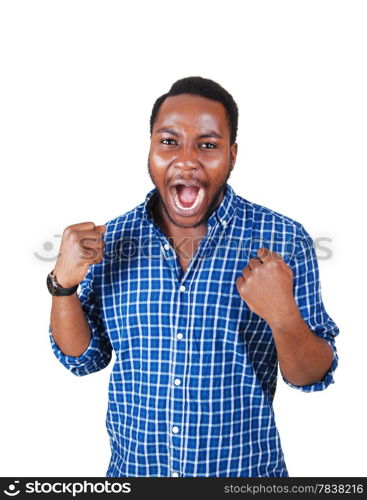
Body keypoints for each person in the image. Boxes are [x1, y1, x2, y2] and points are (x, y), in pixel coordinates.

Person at [47, 76, 339, 477]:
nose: (186, 160)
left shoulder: (283, 240)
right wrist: (62, 286)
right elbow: (84, 360)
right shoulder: (110, 241)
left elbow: (313, 377)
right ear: (150, 147)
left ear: (232, 155)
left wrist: (283, 315)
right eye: (169, 141)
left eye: (207, 145)